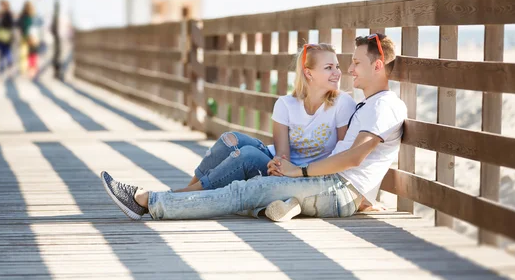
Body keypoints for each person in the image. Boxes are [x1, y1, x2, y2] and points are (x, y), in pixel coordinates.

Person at [101, 33, 407, 222]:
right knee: (245, 177)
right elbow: (351, 156)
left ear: (377, 66)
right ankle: (162, 200)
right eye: (344, 64)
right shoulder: (368, 105)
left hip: (336, 189)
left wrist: (298, 173)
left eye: (355, 63)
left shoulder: (383, 106)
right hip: (331, 185)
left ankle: (150, 201)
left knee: (245, 190)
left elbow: (355, 159)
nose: (349, 69)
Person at [164, 43, 355, 195]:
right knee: (229, 139)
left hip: (308, 175)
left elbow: (342, 154)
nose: (337, 72)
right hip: (282, 169)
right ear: (308, 73)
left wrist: (300, 171)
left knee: (246, 154)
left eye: (337, 66)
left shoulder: (342, 103)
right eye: (329, 67)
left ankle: (187, 193)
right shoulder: (286, 104)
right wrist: (279, 164)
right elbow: (282, 154)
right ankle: (189, 188)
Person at [17, 0, 40, 78]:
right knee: (28, 54)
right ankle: (28, 70)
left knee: (30, 54)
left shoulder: (31, 16)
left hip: (30, 36)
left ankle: (30, 70)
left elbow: (18, 25)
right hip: (29, 37)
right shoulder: (30, 16)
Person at [0, 0, 14, 74]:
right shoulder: (1, 14)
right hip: (1, 34)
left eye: (2, 5)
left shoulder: (7, 14)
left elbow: (10, 24)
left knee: (6, 50)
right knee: (2, 51)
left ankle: (8, 64)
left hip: (5, 34)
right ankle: (2, 66)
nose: (1, 7)